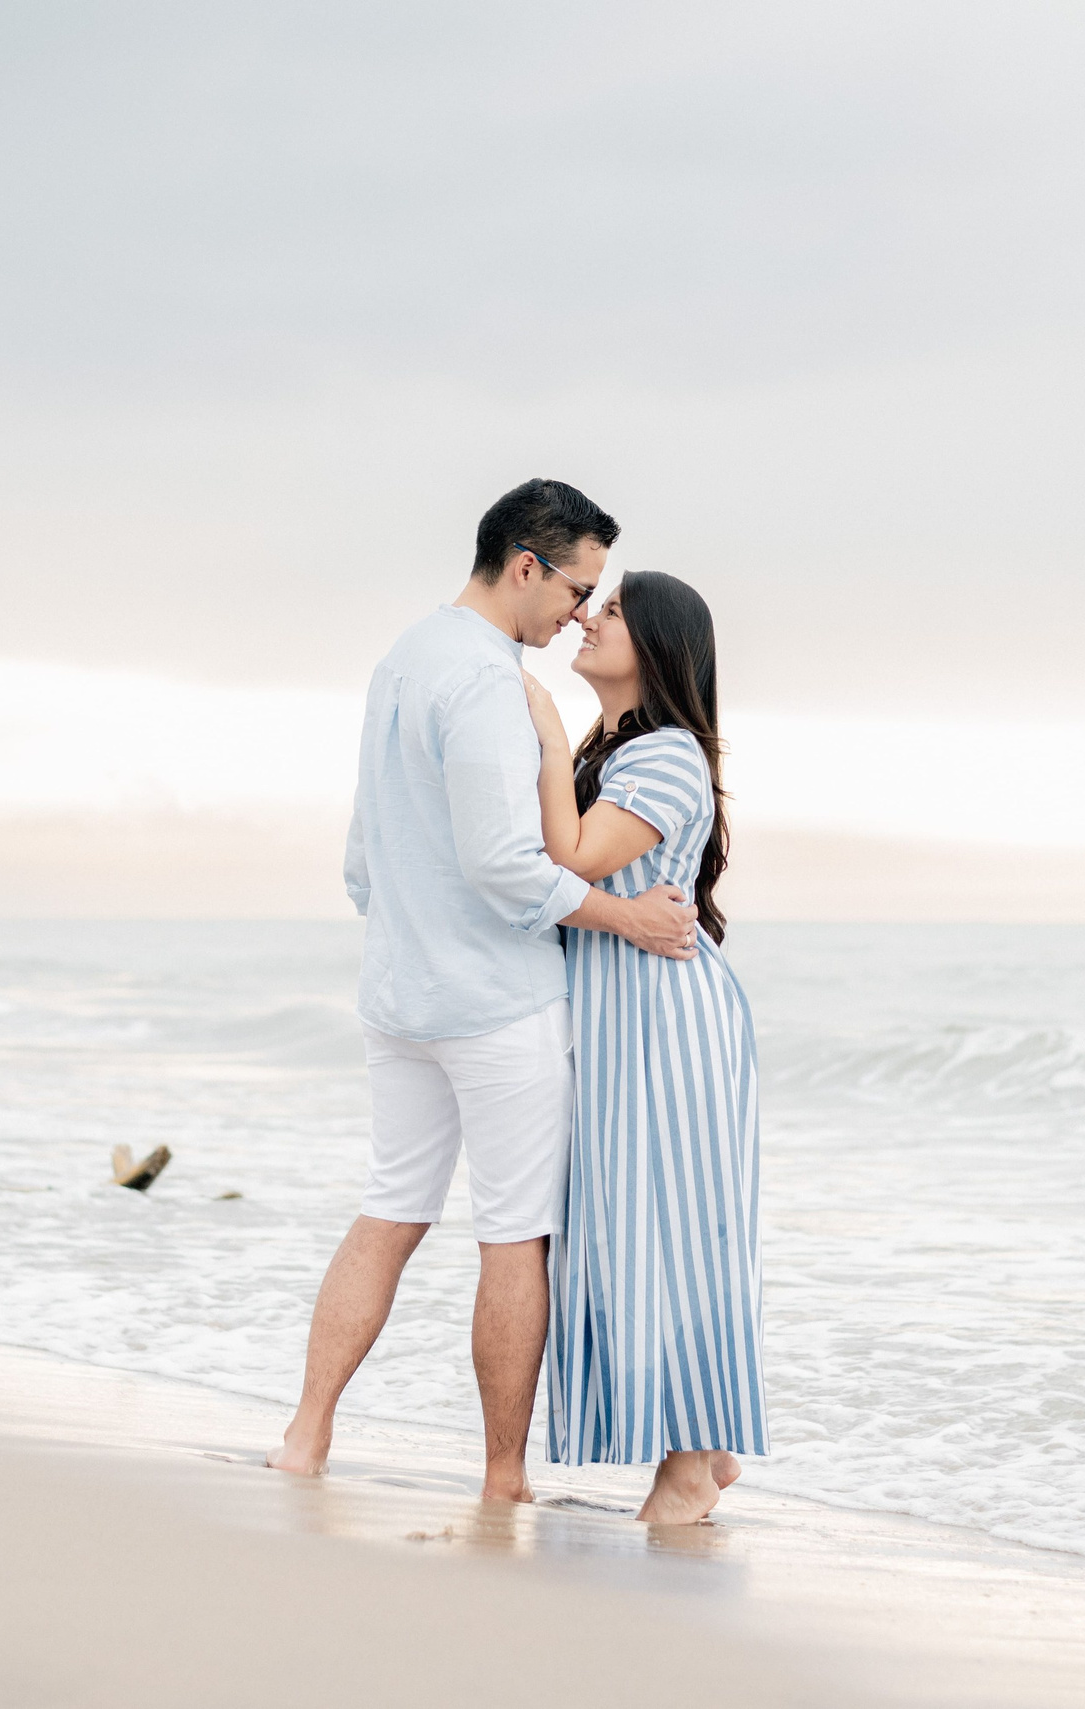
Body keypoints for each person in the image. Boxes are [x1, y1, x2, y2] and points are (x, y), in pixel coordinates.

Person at [267, 479, 700, 1504]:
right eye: (575, 587)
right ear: (525, 564)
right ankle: (503, 1476)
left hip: (398, 997)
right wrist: (625, 916)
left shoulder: (402, 659)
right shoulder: (490, 683)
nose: (575, 616)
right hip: (499, 1006)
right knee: (512, 1234)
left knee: (388, 1211)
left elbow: (364, 862)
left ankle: (305, 1433)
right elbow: (509, 866)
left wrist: (413, 937)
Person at [521, 571, 766, 1525]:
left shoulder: (663, 754)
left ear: (660, 644)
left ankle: (693, 1463)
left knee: (674, 1230)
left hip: (666, 1023)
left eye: (613, 609)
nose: (587, 615)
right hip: (628, 1016)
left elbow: (572, 856)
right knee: (639, 1225)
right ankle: (703, 1442)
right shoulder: (617, 749)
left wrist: (541, 732)